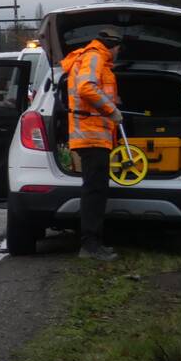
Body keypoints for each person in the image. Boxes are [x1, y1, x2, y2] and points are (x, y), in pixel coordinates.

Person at [60, 28, 123, 261]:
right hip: (91, 135)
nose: (118, 53)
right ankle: (90, 245)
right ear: (113, 45)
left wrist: (112, 100)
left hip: (91, 135)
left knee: (95, 190)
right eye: (118, 49)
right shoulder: (95, 56)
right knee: (94, 192)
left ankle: (93, 243)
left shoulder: (95, 58)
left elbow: (92, 88)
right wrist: (111, 109)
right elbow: (86, 87)